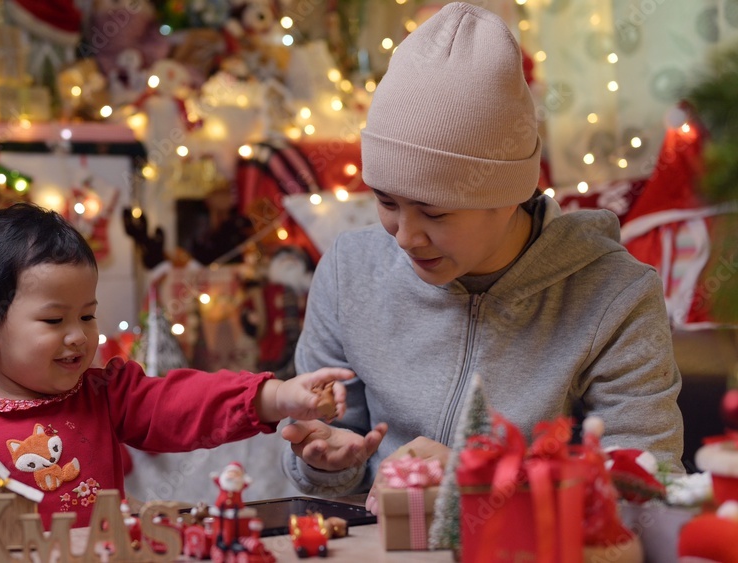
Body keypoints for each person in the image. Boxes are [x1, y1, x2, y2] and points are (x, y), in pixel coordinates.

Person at [280, 2, 684, 512]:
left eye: (434, 213)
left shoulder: (615, 296)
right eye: (386, 202)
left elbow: (650, 487)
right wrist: (325, 461)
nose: (404, 237)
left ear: (511, 193)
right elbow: (329, 461)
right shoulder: (349, 270)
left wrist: (487, 480)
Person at [0, 203, 354, 548]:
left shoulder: (105, 394)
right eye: (55, 321)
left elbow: (182, 403)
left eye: (88, 316)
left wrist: (277, 395)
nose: (79, 337)